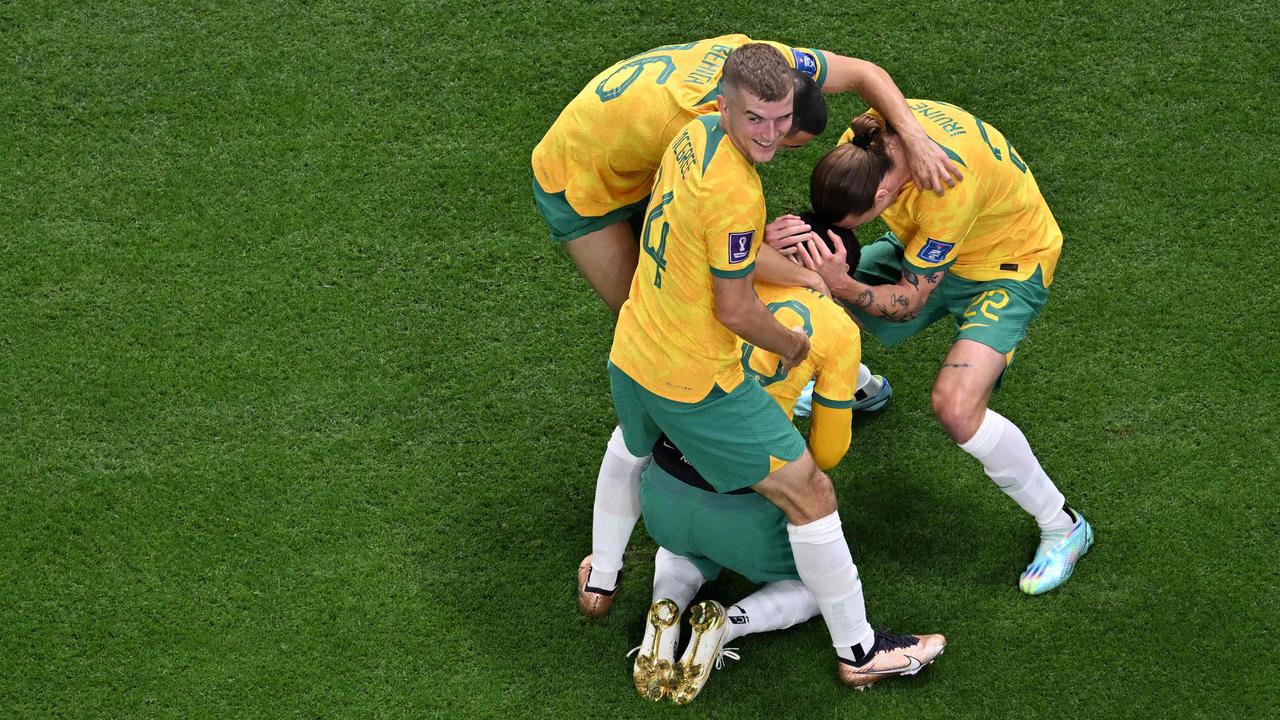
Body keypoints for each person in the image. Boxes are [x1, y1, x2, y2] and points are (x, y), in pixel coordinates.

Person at [555, 36, 962, 615]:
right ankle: (827, 642)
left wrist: (754, 251)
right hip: (706, 404)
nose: (770, 137)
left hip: (637, 362)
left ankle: (608, 579)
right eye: (760, 122)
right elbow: (744, 320)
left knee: (632, 440)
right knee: (813, 500)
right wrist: (797, 345)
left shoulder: (689, 138)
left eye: (780, 121)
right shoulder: (825, 315)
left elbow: (711, 251)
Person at [627, 218, 944, 703]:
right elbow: (829, 453)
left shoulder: (715, 283)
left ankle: (664, 607)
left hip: (663, 493)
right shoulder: (836, 329)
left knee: (682, 547)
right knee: (818, 580)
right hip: (744, 513)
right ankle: (729, 625)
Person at [790, 99, 1094, 595]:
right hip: (935, 244)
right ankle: (862, 388)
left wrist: (842, 285)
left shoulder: (946, 186)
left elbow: (909, 301)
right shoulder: (864, 139)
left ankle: (1065, 526)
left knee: (956, 408)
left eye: (858, 221)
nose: (852, 231)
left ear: (885, 192)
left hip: (1007, 265)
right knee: (803, 288)